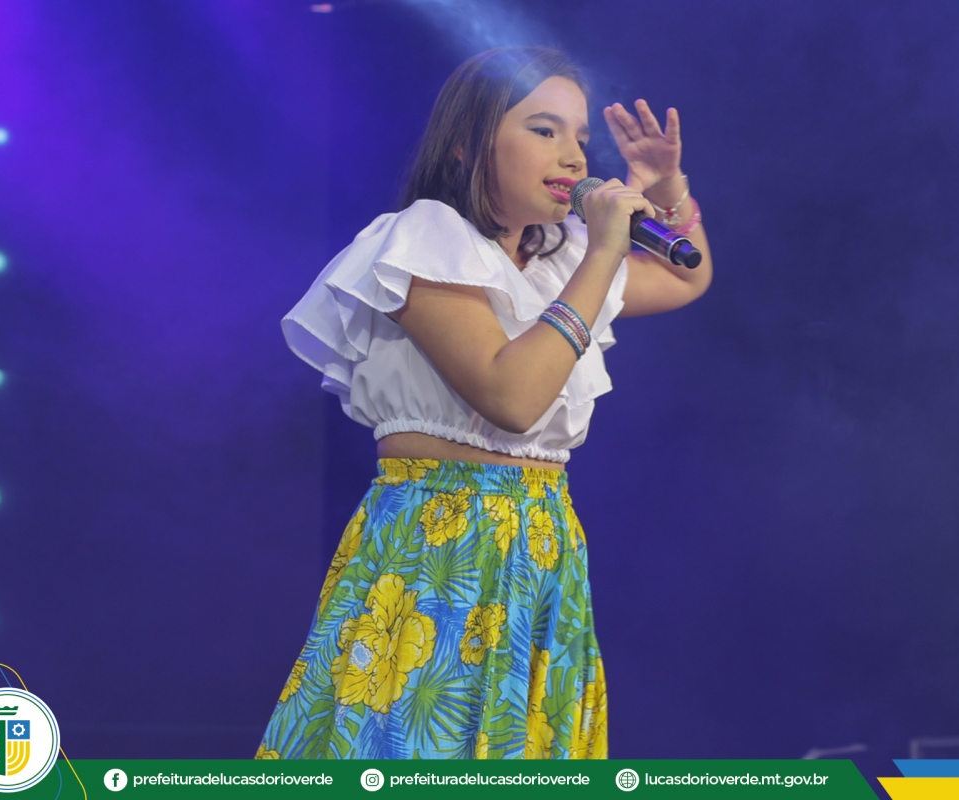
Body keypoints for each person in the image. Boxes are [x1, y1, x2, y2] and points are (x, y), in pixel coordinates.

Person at [256, 45, 711, 760]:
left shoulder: (561, 261)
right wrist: (602, 254)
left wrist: (664, 187)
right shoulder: (423, 240)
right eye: (544, 129)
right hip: (442, 542)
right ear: (468, 142)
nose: (573, 156)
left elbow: (685, 277)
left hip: (542, 547)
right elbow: (512, 396)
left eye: (579, 137)